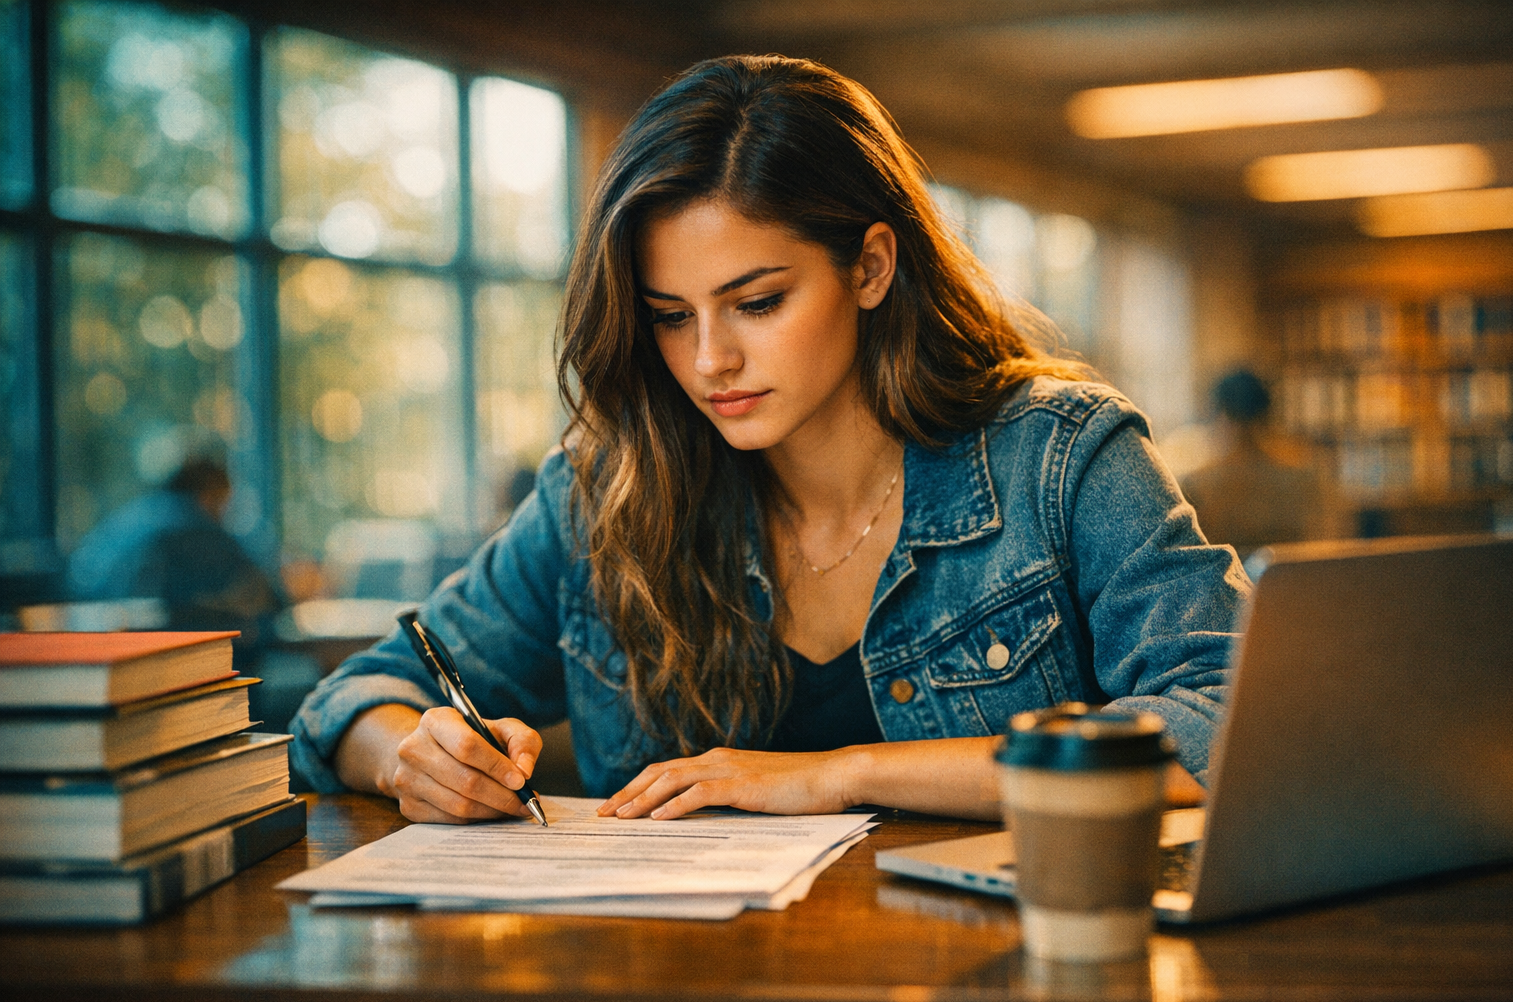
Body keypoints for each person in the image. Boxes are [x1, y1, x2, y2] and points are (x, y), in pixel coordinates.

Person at [290, 55, 1248, 824]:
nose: (711, 360)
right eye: (670, 316)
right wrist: (409, 762)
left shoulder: (1061, 461)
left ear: (870, 267)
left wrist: (840, 774)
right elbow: (358, 699)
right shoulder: (604, 497)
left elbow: (1225, 721)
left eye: (757, 302)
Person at [67, 456, 283, 650]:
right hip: (137, 643)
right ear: (208, 496)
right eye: (223, 505)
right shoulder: (192, 526)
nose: (222, 516)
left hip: (83, 633)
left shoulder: (143, 513)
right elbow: (264, 591)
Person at [1179, 370, 1328, 562]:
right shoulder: (1303, 479)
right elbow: (1322, 552)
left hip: (1225, 591)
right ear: (1267, 413)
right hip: (1290, 589)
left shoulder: (1196, 486)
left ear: (1220, 414)